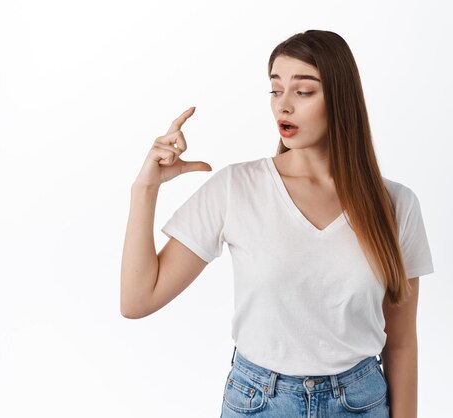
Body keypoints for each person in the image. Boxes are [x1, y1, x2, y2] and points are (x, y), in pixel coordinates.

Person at [121, 29, 434, 418]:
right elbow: (137, 300)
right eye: (275, 90)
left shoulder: (396, 205)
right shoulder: (237, 188)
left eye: (303, 92)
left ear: (341, 99)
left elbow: (401, 343)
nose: (283, 105)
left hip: (360, 402)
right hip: (258, 403)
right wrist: (145, 187)